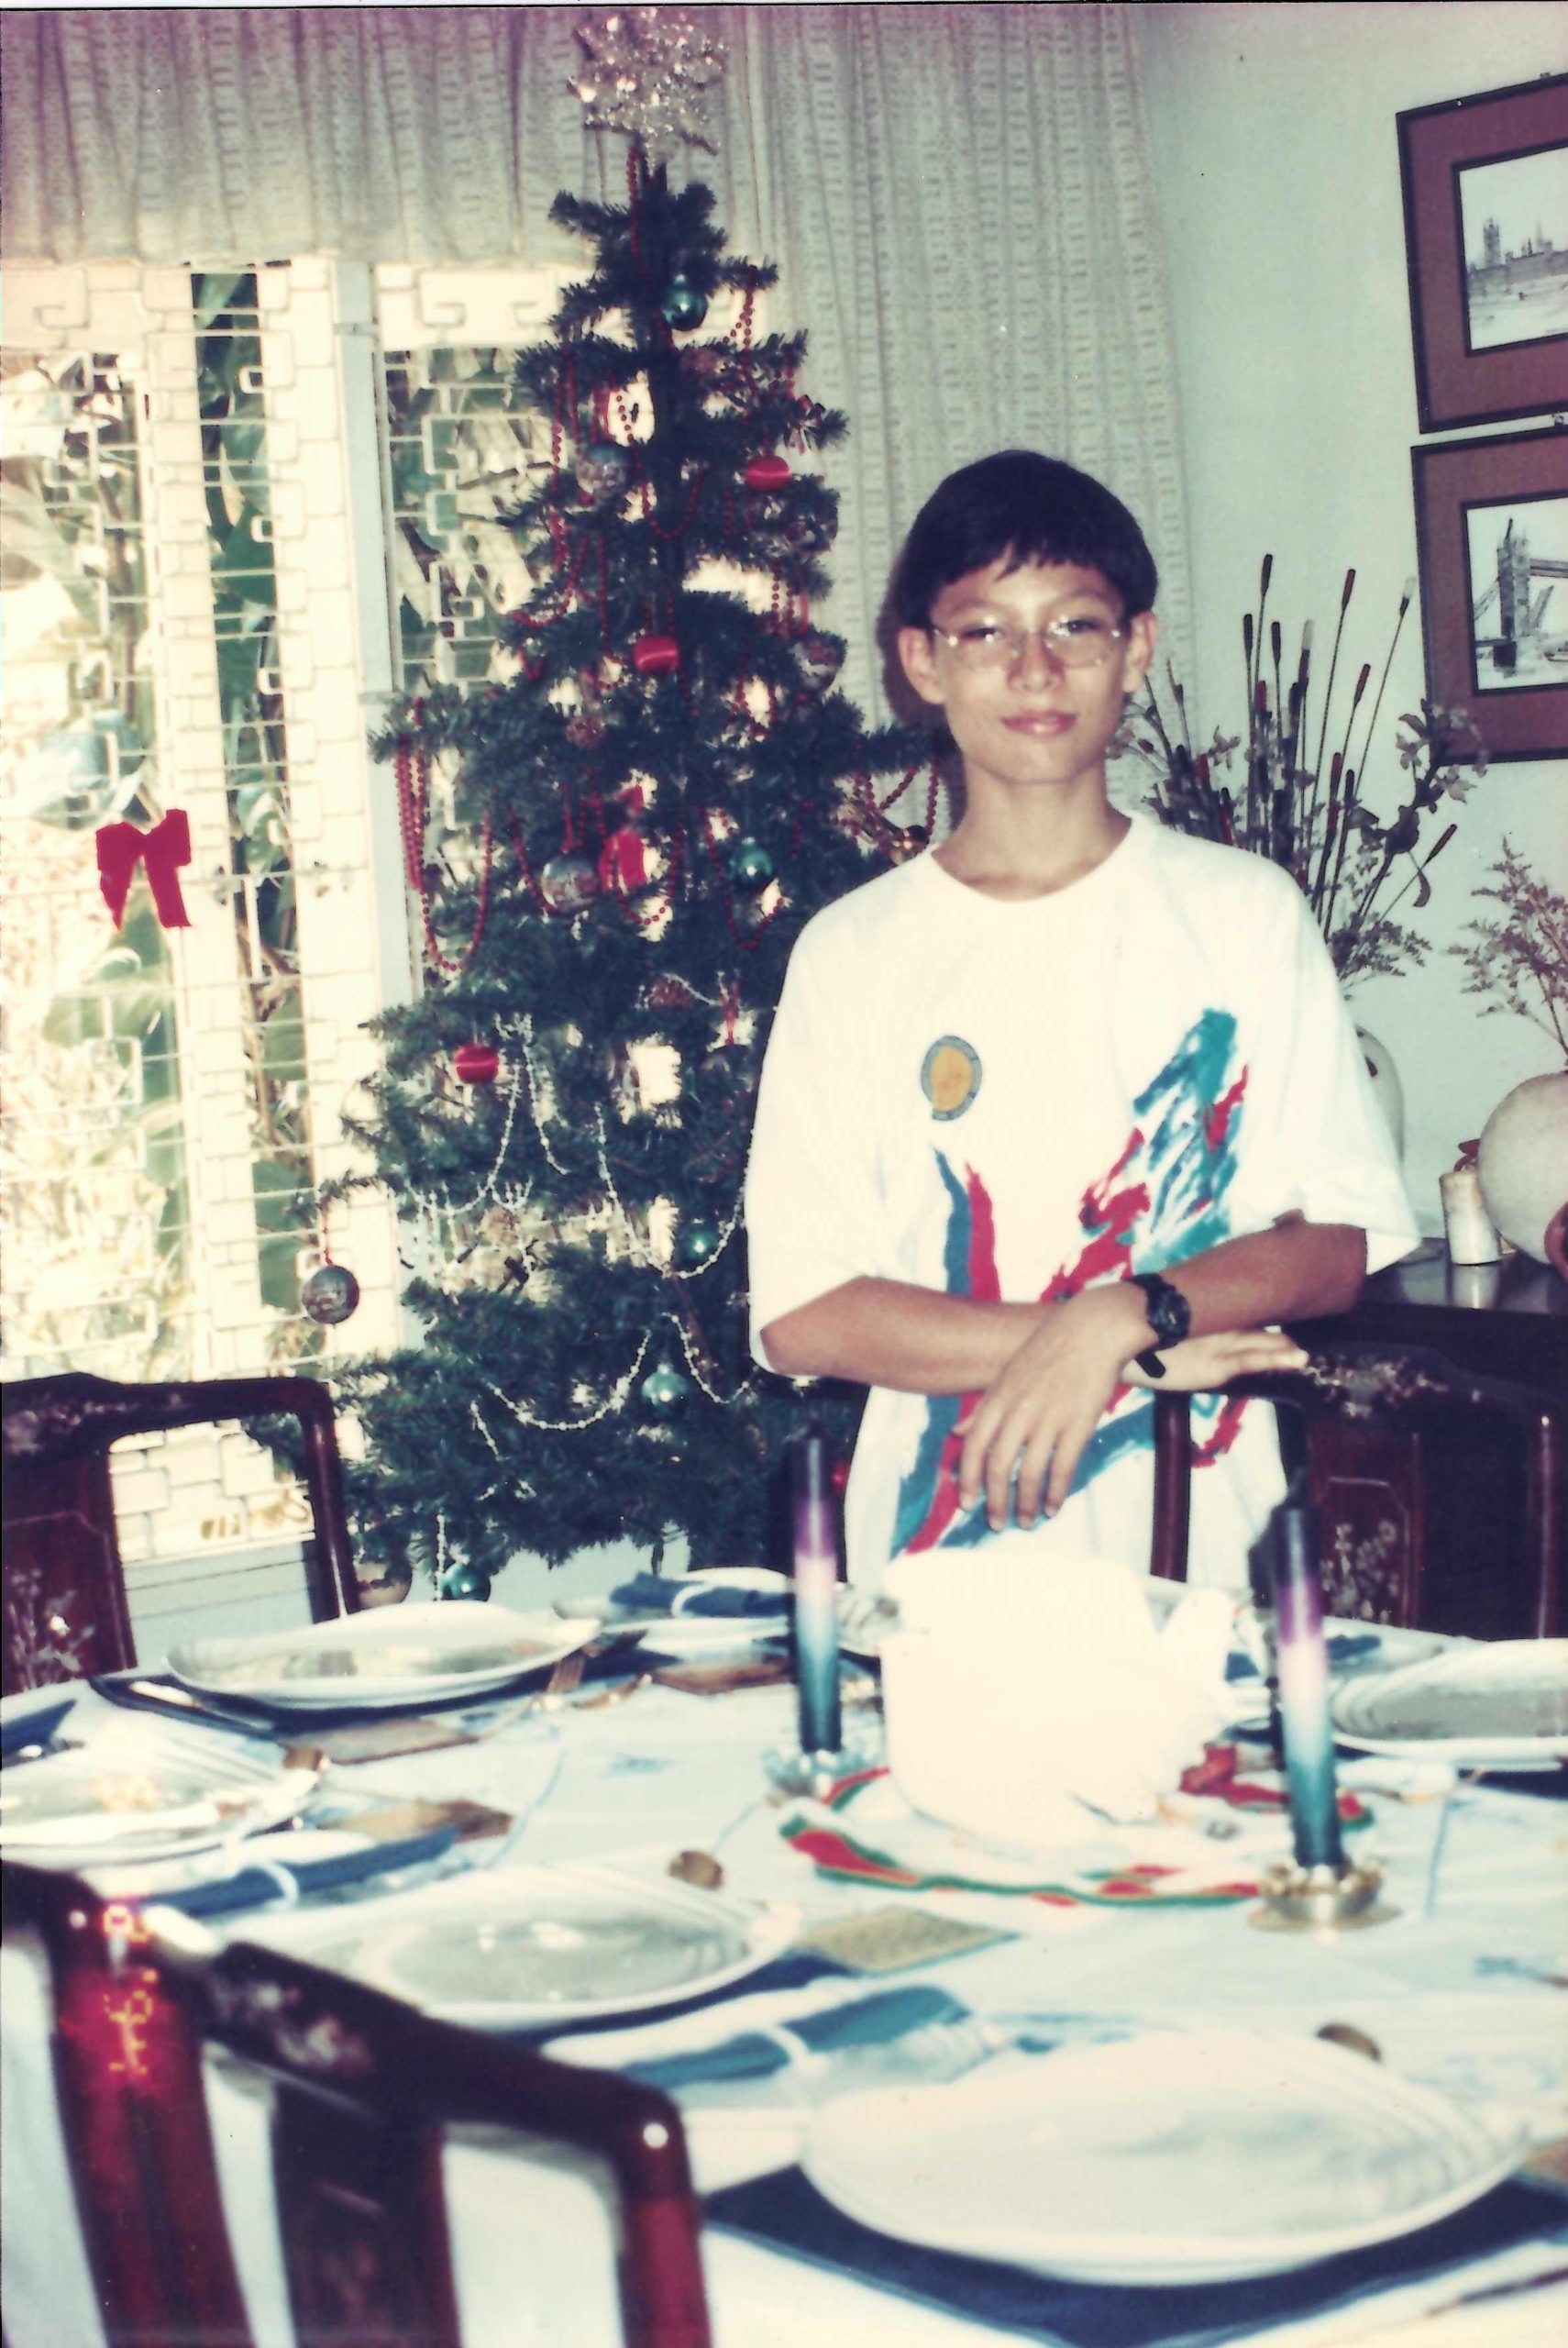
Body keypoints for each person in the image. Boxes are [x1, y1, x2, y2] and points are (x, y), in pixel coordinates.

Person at [745, 449, 1419, 1590]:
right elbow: (806, 1313)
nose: (1035, 669)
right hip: (937, 1558)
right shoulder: (852, 952)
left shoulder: (1242, 911)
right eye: (986, 632)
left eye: (1075, 626)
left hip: (1207, 1544)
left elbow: (1335, 1242)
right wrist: (1113, 1343)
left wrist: (1121, 1318)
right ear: (922, 661)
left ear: (1136, 649)